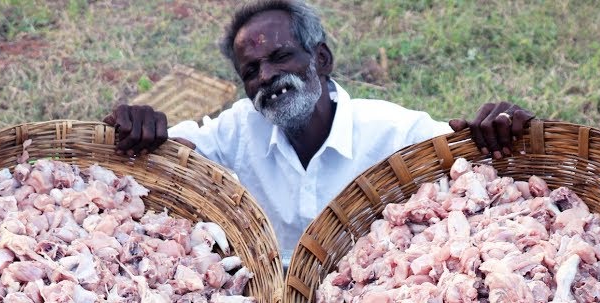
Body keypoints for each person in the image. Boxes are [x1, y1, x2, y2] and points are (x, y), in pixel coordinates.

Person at [103, 0, 535, 263]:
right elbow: (168, 152)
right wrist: (141, 126)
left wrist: (499, 126)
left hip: (366, 299)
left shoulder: (394, 132)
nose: (266, 77)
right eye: (251, 71)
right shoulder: (239, 128)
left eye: (281, 57)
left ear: (322, 60)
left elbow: (469, 153)